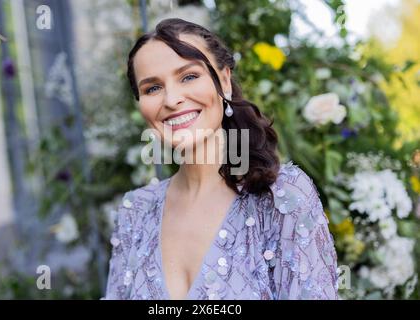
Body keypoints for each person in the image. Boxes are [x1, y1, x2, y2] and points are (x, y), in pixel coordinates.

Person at [104, 18, 338, 300]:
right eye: (152, 88)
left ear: (224, 80)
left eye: (188, 76)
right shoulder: (135, 210)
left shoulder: (281, 197)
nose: (171, 99)